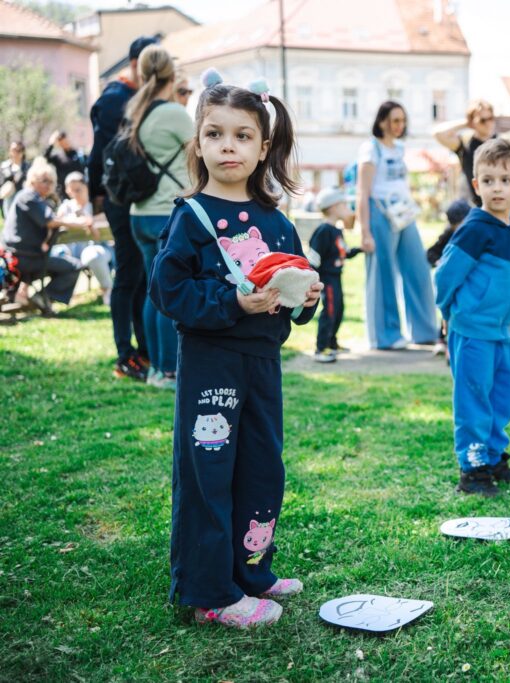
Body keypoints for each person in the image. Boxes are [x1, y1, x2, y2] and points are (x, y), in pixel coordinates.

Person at [149, 71, 323, 629]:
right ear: (199, 143)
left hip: (262, 366)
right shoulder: (191, 216)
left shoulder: (277, 221)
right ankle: (210, 592)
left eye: (243, 135)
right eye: (215, 134)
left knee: (261, 468)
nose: (229, 146)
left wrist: (307, 298)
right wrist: (232, 302)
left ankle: (251, 571)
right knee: (210, 473)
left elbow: (293, 293)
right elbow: (168, 291)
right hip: (211, 367)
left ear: (263, 147)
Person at [435, 138, 510, 496]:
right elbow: (445, 276)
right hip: (472, 330)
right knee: (473, 398)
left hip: (501, 330)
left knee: (501, 397)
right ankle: (473, 469)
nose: (497, 188)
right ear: (476, 185)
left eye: (506, 180)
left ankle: (492, 458)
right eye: (488, 180)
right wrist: (448, 314)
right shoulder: (474, 229)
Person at [88, 35, 158, 381]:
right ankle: (124, 354)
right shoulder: (115, 99)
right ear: (135, 64)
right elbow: (100, 155)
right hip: (120, 199)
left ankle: (144, 349)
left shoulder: (139, 96)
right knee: (128, 275)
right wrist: (96, 197)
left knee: (140, 276)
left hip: (139, 198)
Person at [124, 44, 192, 390]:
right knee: (169, 293)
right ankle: (168, 371)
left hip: (140, 214)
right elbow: (201, 153)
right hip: (167, 213)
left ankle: (154, 367)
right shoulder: (175, 114)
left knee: (154, 293)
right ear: (172, 74)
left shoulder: (136, 112)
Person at [356, 101, 438, 350]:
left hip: (403, 214)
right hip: (380, 213)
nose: (400, 125)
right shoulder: (371, 149)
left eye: (402, 120)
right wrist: (365, 231)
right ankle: (386, 335)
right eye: (395, 120)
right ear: (382, 122)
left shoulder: (400, 148)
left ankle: (424, 331)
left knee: (419, 268)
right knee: (383, 275)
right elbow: (363, 192)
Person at [1, 159, 91, 313]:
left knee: (64, 260)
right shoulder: (28, 196)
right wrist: (81, 222)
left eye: (51, 182)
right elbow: (50, 221)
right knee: (74, 266)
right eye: (44, 181)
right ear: (33, 180)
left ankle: (36, 297)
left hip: (28, 256)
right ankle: (43, 297)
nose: (49, 185)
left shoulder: (35, 198)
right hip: (22, 258)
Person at [309, 186, 361, 362]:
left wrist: (361, 249)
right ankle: (321, 348)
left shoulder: (337, 231)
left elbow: (343, 252)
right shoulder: (324, 231)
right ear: (333, 207)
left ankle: (332, 342)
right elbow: (314, 257)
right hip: (326, 279)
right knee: (330, 311)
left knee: (338, 310)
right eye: (343, 204)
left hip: (336, 277)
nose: (347, 208)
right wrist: (313, 278)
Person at [53, 172, 114, 305]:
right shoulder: (65, 207)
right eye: (71, 190)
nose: (75, 194)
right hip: (70, 251)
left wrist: (89, 220)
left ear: (86, 187)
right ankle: (50, 296)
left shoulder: (96, 205)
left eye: (78, 190)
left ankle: (107, 290)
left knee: (92, 255)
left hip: (98, 248)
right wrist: (82, 222)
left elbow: (102, 227)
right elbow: (58, 223)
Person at [426, 198, 472, 358]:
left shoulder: (476, 233)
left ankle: (454, 344)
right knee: (447, 309)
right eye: (455, 226)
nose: (459, 229)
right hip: (451, 279)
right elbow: (431, 253)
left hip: (467, 280)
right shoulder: (449, 235)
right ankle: (443, 340)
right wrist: (439, 262)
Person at [432, 99, 496, 207]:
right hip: (473, 207)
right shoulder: (465, 144)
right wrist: (466, 123)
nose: (488, 123)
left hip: (499, 205)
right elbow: (437, 133)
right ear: (472, 122)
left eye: (490, 118)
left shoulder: (501, 143)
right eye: (482, 120)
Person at [44, 131, 85, 200]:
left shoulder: (79, 154)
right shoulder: (58, 156)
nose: (65, 143)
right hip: (64, 191)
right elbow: (46, 157)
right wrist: (51, 143)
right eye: (61, 141)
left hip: (79, 189)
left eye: (65, 140)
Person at [1, 141, 28, 218]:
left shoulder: (27, 167)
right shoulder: (4, 166)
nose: (15, 153)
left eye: (18, 150)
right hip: (7, 200)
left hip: (23, 199)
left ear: (22, 152)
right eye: (13, 150)